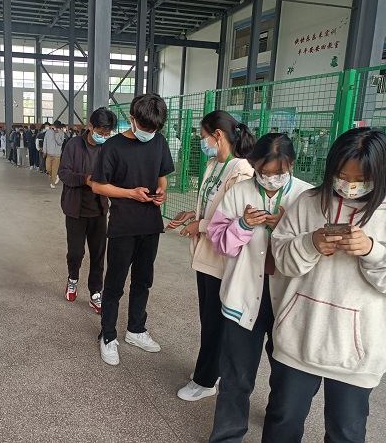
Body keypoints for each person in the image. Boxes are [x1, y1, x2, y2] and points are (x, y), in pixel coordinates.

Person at [262, 127, 386, 443]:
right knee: (282, 421)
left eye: (361, 179)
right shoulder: (308, 202)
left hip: (356, 353)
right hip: (298, 337)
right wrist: (310, 243)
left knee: (346, 432)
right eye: (342, 176)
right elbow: (283, 260)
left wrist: (372, 251)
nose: (349, 186)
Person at [205, 134, 312, 441]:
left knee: (287, 381)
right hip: (243, 297)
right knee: (236, 376)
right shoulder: (239, 192)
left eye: (279, 172)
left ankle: (278, 433)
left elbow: (314, 252)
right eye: (264, 172)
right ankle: (227, 435)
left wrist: (287, 231)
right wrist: (242, 225)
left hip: (289, 301)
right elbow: (219, 242)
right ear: (254, 165)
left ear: (292, 165)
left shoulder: (307, 197)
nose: (270, 178)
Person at [166, 110, 255, 401]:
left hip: (222, 257)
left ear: (218, 135)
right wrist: (193, 215)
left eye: (204, 136)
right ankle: (208, 371)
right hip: (205, 253)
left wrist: (201, 225)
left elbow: (237, 220)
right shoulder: (214, 164)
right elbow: (212, 205)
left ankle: (205, 381)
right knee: (208, 317)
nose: (202, 142)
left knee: (215, 321)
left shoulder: (241, 171)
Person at [92, 93, 174, 366]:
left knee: (143, 280)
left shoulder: (159, 142)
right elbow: (98, 185)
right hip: (123, 226)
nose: (149, 133)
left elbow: (162, 177)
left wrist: (162, 191)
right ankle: (108, 334)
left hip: (150, 224)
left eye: (154, 129)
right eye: (145, 127)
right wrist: (130, 193)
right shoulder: (113, 146)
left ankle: (136, 329)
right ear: (132, 119)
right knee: (115, 283)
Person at [58, 107, 116, 313]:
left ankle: (95, 292)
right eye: (101, 132)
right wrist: (85, 179)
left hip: (99, 210)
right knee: (76, 252)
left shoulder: (108, 148)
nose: (104, 137)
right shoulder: (73, 145)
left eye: (107, 134)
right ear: (90, 127)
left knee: (98, 254)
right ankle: (72, 279)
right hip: (76, 209)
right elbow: (63, 173)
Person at [44, 120, 64, 189]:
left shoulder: (61, 133)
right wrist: (44, 150)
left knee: (55, 169)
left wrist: (57, 134)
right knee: (48, 168)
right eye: (56, 127)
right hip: (49, 153)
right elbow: (45, 141)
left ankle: (53, 183)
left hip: (57, 154)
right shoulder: (48, 132)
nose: (57, 128)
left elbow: (60, 143)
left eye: (58, 127)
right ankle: (55, 176)